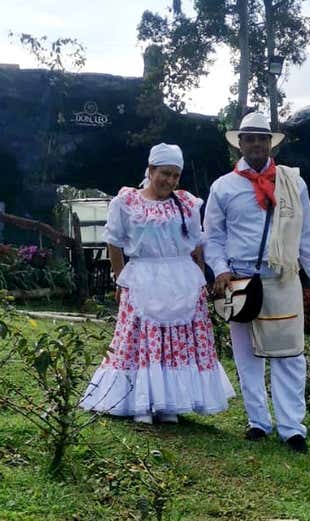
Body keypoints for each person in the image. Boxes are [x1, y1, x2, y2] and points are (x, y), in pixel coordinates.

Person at [80, 143, 235, 424]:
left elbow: (195, 245)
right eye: (165, 173)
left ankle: (169, 403)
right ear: (150, 170)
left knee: (176, 341)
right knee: (142, 340)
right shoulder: (127, 202)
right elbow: (114, 242)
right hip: (143, 275)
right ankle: (141, 402)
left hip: (180, 277)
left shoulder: (186, 203)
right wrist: (120, 279)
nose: (170, 180)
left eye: (175, 175)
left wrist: (199, 277)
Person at [204, 113, 310, 453]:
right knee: (247, 354)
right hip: (240, 279)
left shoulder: (292, 183)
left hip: (283, 275)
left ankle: (292, 428)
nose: (256, 144)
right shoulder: (223, 187)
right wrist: (220, 270)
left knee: (289, 355)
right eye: (249, 138)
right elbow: (212, 237)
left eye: (262, 138)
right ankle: (258, 421)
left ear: (270, 143)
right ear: (239, 143)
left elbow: (305, 234)